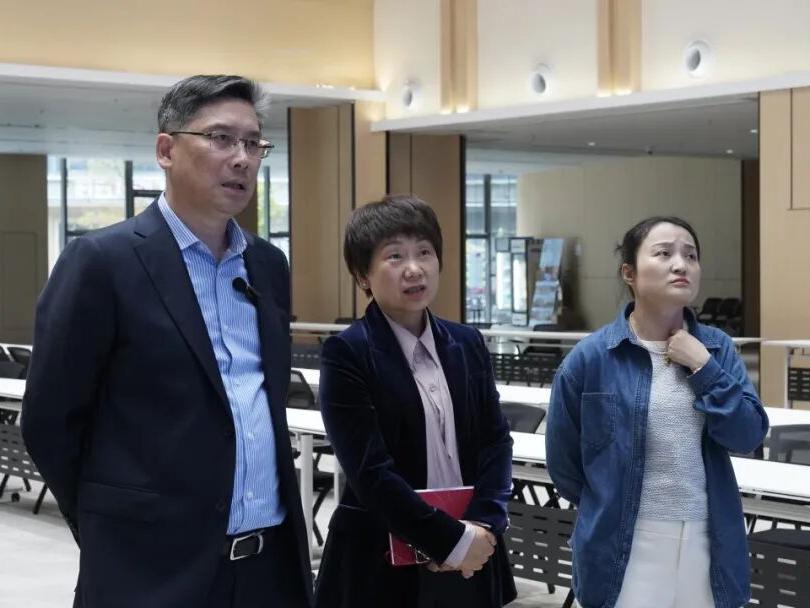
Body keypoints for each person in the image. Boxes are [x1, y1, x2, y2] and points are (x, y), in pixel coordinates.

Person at [22, 75, 313, 608]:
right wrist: (110, 526)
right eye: (221, 138)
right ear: (166, 150)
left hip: (269, 570)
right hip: (150, 571)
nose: (242, 158)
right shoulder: (103, 262)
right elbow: (49, 420)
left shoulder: (268, 265)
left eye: (254, 143)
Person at [546, 216, 769, 608]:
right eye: (664, 254)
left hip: (708, 538)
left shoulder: (716, 349)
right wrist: (607, 505)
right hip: (623, 541)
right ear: (629, 273)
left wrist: (703, 367)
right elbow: (564, 464)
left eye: (691, 256)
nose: (681, 265)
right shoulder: (592, 358)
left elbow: (748, 435)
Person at [314, 196, 517, 608]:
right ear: (363, 275)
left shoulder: (467, 343)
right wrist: (449, 540)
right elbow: (370, 472)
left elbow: (496, 441)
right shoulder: (348, 352)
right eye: (394, 256)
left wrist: (482, 524)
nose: (414, 268)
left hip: (473, 552)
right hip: (381, 559)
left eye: (424, 252)